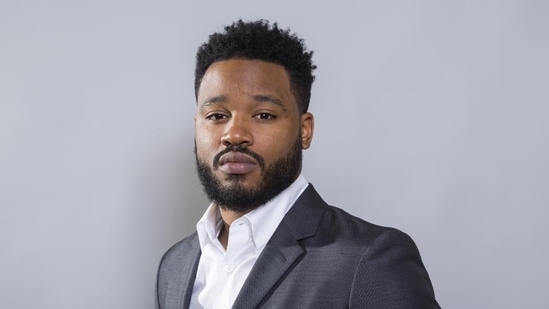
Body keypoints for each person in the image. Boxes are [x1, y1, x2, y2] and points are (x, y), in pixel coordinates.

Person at [156, 19, 440, 309]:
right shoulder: (175, 266)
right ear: (196, 126)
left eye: (264, 115)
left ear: (304, 131)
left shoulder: (370, 261)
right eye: (216, 116)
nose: (234, 135)